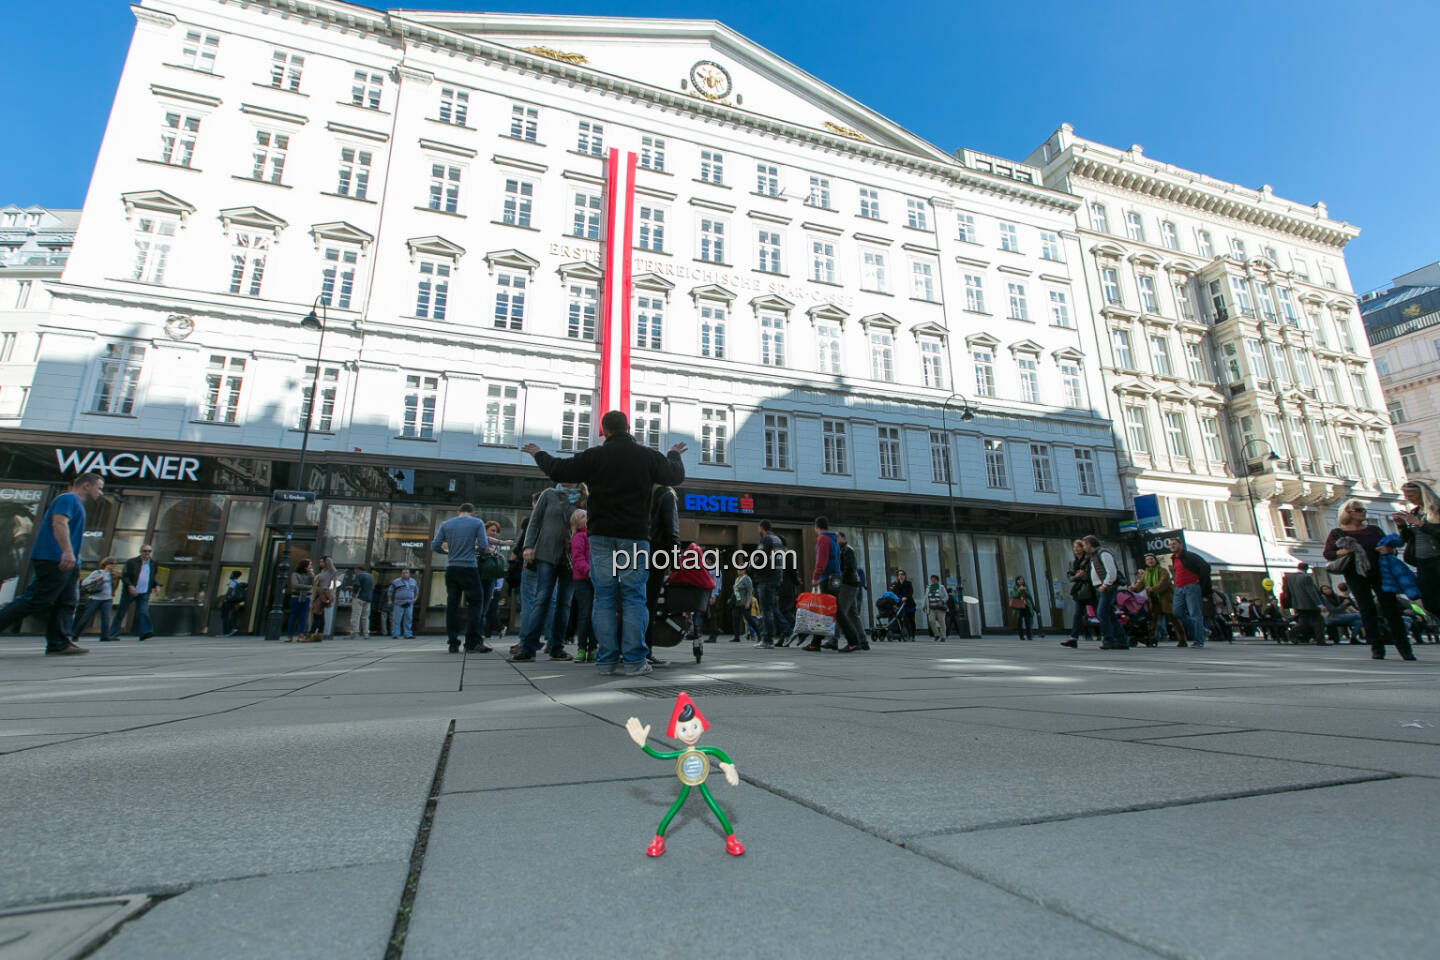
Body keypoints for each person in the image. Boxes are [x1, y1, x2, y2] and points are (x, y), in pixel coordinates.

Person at [522, 410, 686, 677]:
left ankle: (607, 661)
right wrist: (674, 454)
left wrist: (538, 453)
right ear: (629, 427)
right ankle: (634, 661)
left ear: (604, 430)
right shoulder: (646, 456)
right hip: (634, 536)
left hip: (599, 536)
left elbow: (558, 469)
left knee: (604, 596)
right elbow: (675, 476)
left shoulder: (594, 456)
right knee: (634, 596)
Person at [0, 473, 104, 655]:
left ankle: (59, 644)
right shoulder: (68, 498)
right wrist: (67, 551)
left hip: (68, 561)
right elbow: (59, 523)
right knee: (37, 599)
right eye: (99, 488)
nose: (101, 493)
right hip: (54, 558)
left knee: (66, 601)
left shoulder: (76, 503)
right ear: (86, 486)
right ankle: (58, 643)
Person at [1323, 499, 1415, 661]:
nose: (1363, 512)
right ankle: (1376, 647)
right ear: (1348, 513)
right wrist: (1344, 551)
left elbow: (1389, 546)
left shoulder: (1374, 530)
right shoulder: (1338, 533)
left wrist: (1388, 550)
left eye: (1363, 509)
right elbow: (1328, 554)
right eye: (1359, 510)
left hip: (1381, 572)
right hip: (1355, 574)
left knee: (1391, 609)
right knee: (1367, 610)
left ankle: (1404, 647)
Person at [509, 484, 583, 662]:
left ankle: (556, 647)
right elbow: (535, 521)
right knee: (542, 599)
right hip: (546, 553)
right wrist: (528, 546)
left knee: (564, 603)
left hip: (570, 557)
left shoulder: (583, 497)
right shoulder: (549, 494)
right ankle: (528, 648)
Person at [432, 502, 491, 654]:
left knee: (452, 605)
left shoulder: (446, 524)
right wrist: (480, 550)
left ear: (459, 512)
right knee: (476, 604)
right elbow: (484, 547)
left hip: (452, 568)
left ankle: (453, 642)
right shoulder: (477, 523)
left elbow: (435, 545)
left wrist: (447, 552)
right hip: (469, 568)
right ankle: (472, 642)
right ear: (472, 512)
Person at [1396, 480, 1440, 619]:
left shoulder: (1436, 510)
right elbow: (1409, 539)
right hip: (1422, 561)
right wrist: (1402, 525)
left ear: (1422, 493)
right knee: (1429, 601)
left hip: (1437, 558)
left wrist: (1419, 523)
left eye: (1411, 495)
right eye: (1406, 495)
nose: (1408, 498)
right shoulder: (1414, 512)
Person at [1083, 535, 1128, 650]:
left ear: (1089, 544)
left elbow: (1111, 571)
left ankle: (1109, 639)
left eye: (1084, 544)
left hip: (1107, 588)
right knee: (1109, 615)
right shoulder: (1093, 556)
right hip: (1100, 588)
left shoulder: (1103, 553)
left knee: (1102, 613)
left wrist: (1105, 585)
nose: (1083, 547)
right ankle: (1121, 640)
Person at [1167, 536, 1211, 649]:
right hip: (1179, 588)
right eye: (1170, 544)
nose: (1172, 546)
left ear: (1180, 545)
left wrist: (1201, 582)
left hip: (1191, 587)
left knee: (1195, 613)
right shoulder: (1174, 558)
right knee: (1177, 612)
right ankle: (1201, 629)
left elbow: (1205, 566)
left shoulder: (1189, 556)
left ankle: (1198, 640)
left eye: (1174, 544)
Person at [111, 544, 158, 642]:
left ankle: (145, 632)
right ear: (141, 551)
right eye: (145, 551)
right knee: (121, 612)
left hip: (144, 591)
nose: (147, 553)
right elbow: (125, 576)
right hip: (130, 591)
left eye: (149, 551)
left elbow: (152, 577)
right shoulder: (131, 562)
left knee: (144, 611)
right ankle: (113, 634)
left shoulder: (153, 563)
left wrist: (156, 585)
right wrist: (130, 586)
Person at [569, 509, 597, 663]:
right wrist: (589, 571)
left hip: (594, 578)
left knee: (594, 615)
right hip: (583, 579)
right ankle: (581, 648)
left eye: (587, 515)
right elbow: (577, 558)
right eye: (582, 516)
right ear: (576, 522)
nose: (586, 518)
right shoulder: (579, 537)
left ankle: (593, 648)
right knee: (585, 614)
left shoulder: (593, 536)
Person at [755, 520, 788, 646]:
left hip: (766, 578)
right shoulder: (777, 540)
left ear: (762, 528)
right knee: (771, 607)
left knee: (766, 609)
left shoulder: (766, 539)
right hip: (777, 577)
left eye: (758, 528)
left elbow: (759, 557)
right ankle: (784, 630)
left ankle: (767, 639)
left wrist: (751, 567)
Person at [73, 556, 118, 644]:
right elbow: (84, 582)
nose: (112, 566)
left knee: (106, 618)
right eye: (111, 564)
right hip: (95, 598)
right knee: (86, 617)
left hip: (107, 599)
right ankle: (76, 634)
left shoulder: (113, 575)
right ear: (105, 564)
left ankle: (105, 636)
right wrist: (96, 579)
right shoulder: (97, 572)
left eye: (114, 564)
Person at [1133, 553, 1175, 645]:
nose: (1150, 561)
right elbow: (1140, 584)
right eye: (1148, 560)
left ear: (1155, 560)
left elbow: (1163, 582)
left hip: (1165, 598)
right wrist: (1133, 589)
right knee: (1153, 620)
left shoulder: (1162, 570)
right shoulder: (1146, 573)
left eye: (1151, 559)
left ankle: (1182, 638)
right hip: (1153, 600)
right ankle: (1152, 638)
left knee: (1173, 619)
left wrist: (1153, 588)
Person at [835, 532, 867, 652]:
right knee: (853, 614)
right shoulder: (842, 550)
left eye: (837, 537)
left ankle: (834, 639)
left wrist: (840, 578)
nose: (836, 539)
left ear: (843, 538)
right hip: (851, 583)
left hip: (848, 584)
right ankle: (863, 640)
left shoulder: (847, 550)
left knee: (841, 612)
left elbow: (850, 568)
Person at [1062, 539, 1096, 649]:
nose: (1076, 549)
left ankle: (1112, 635)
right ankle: (1073, 638)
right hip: (1079, 591)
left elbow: (1094, 574)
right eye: (1074, 547)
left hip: (1091, 589)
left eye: (1078, 547)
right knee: (1077, 614)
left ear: (1084, 548)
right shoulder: (1073, 562)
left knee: (1100, 613)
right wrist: (1077, 576)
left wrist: (1083, 576)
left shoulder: (1090, 560)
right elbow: (1070, 576)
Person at [1281, 563, 1325, 644]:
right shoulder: (1306, 577)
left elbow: (1287, 591)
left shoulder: (1290, 577)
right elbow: (1311, 592)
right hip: (1309, 604)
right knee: (1319, 620)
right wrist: (1319, 604)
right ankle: (1320, 640)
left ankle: (1291, 633)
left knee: (1304, 622)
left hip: (1297, 604)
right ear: (1306, 569)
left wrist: (1292, 603)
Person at [730, 561, 761, 643]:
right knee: (735, 619)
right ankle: (736, 637)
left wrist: (748, 602)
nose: (739, 571)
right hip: (737, 603)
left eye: (741, 569)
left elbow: (749, 591)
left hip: (744, 603)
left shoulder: (747, 579)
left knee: (749, 619)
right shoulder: (737, 579)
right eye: (738, 569)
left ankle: (759, 634)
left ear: (744, 570)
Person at [309, 555, 337, 640]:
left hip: (322, 594)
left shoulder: (329, 572)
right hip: (318, 594)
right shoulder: (322, 572)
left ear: (326, 562)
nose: (320, 563)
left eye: (322, 562)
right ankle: (319, 634)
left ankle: (311, 633)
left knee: (317, 613)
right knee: (320, 615)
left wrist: (328, 559)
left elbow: (333, 570)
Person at [284, 559, 312, 642]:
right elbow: (295, 585)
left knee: (303, 617)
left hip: (306, 597)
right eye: (309, 565)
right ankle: (290, 636)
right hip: (296, 597)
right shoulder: (295, 574)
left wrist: (311, 574)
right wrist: (308, 587)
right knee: (293, 616)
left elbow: (314, 582)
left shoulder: (309, 575)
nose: (310, 567)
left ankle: (301, 635)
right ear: (305, 566)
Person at [387, 567, 419, 639]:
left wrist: (415, 598)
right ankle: (396, 634)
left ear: (409, 574)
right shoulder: (396, 581)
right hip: (399, 603)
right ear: (401, 573)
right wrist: (389, 600)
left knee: (408, 618)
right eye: (403, 573)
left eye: (406, 573)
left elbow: (416, 591)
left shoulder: (413, 581)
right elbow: (390, 591)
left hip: (409, 603)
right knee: (397, 619)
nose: (405, 574)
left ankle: (408, 634)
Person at [347, 566, 374, 638]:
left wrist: (354, 592)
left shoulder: (359, 575)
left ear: (358, 570)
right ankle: (366, 633)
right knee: (365, 616)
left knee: (356, 615)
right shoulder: (370, 576)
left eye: (355, 570)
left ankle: (355, 632)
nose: (354, 572)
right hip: (368, 598)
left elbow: (357, 585)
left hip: (359, 597)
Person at [219, 570, 247, 636]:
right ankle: (231, 628)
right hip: (234, 601)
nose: (230, 575)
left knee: (224, 615)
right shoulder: (239, 582)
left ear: (233, 575)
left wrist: (222, 600)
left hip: (229, 600)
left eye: (231, 574)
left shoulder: (233, 582)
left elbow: (229, 592)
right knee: (228, 615)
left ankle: (229, 630)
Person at [1008, 575, 1037, 641]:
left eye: (1022, 580)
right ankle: (1021, 636)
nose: (1021, 581)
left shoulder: (1026, 587)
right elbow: (1014, 596)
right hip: (1019, 607)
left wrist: (1025, 591)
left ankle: (1029, 636)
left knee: (1028, 622)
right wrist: (1019, 591)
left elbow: (1030, 596)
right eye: (1019, 580)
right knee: (1019, 622)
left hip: (1026, 606)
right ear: (1017, 581)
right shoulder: (1015, 588)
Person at [891, 569, 916, 638]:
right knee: (903, 619)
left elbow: (910, 593)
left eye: (902, 574)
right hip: (900, 604)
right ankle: (904, 633)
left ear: (904, 576)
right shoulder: (896, 585)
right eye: (899, 574)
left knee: (911, 620)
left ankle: (912, 635)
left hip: (909, 604)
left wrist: (906, 597)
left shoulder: (908, 583)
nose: (900, 576)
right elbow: (894, 594)